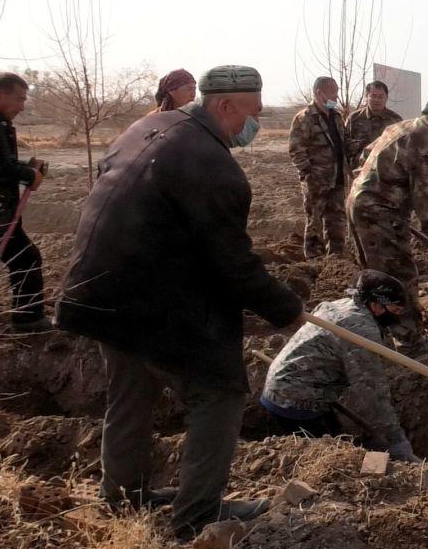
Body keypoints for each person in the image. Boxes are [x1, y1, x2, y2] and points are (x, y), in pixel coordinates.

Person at [55, 65, 304, 540]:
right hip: (147, 297)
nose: (255, 126)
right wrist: (286, 310)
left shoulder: (148, 126)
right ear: (224, 105)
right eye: (252, 113)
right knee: (220, 393)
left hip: (98, 287)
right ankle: (197, 518)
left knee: (130, 390)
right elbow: (232, 264)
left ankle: (122, 499)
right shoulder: (212, 165)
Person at [261, 270, 419, 462]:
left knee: (338, 438)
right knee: (333, 459)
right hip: (294, 400)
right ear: (376, 306)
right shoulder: (360, 330)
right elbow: (370, 390)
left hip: (293, 385)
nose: (398, 316)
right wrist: (396, 440)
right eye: (395, 311)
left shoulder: (342, 306)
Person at [348, 93, 428, 354]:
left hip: (361, 203)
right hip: (379, 212)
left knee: (375, 273)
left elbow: (365, 156)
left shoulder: (400, 126)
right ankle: (408, 341)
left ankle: (375, 333)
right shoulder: (425, 142)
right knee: (400, 277)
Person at [0, 73, 50, 332]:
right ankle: (28, 319)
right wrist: (28, 174)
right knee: (26, 258)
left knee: (24, 257)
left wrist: (27, 169)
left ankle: (28, 317)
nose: (22, 106)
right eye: (19, 99)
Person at [289, 76, 349, 258]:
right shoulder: (305, 118)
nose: (337, 96)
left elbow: (343, 143)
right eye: (334, 92)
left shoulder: (337, 117)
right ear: (319, 93)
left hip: (337, 179)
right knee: (314, 222)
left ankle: (336, 260)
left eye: (337, 91)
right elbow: (296, 149)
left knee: (337, 221)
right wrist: (309, 174)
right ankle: (314, 262)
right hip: (316, 181)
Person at [346, 80, 403, 167]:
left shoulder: (395, 120)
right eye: (373, 96)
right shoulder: (354, 118)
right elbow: (344, 143)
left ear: (386, 97)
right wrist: (362, 146)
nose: (377, 100)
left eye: (381, 97)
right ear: (366, 96)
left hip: (386, 172)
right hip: (359, 171)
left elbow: (402, 147)